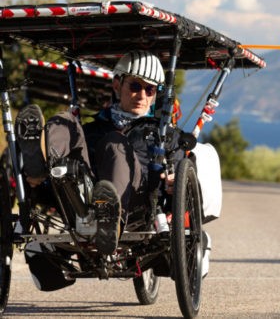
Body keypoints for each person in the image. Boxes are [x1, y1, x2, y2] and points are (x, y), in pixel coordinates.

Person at [15, 51, 173, 255]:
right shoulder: (93, 128)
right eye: (135, 86)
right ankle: (39, 166)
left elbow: (181, 171)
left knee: (115, 143)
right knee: (67, 121)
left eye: (150, 89)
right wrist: (35, 185)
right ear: (117, 85)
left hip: (137, 202)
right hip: (84, 197)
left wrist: (173, 178)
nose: (142, 95)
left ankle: (111, 219)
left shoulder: (164, 134)